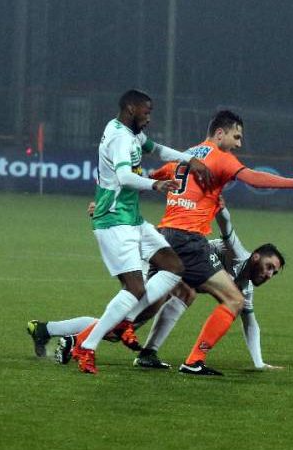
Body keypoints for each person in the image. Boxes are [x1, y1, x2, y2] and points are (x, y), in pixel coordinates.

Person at [75, 110, 293, 376]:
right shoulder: (221, 157)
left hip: (165, 236)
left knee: (156, 304)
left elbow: (147, 180)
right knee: (234, 299)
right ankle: (194, 361)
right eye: (236, 137)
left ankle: (80, 340)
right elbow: (253, 178)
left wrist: (105, 203)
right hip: (189, 240)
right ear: (220, 133)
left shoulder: (184, 156)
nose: (239, 144)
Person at [64, 89, 212, 375]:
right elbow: (123, 177)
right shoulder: (120, 138)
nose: (149, 117)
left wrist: (187, 159)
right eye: (146, 111)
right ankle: (87, 346)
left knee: (173, 267)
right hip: (114, 220)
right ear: (131, 108)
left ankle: (125, 322)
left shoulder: (129, 133)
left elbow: (157, 149)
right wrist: (154, 184)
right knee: (134, 288)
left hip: (131, 218)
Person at [132, 201, 285, 371]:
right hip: (163, 254)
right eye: (269, 266)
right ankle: (112, 330)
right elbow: (225, 224)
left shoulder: (244, 288)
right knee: (138, 313)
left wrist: (259, 363)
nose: (269, 274)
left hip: (175, 267)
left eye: (273, 272)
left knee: (184, 295)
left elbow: (250, 324)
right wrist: (220, 207)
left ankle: (148, 353)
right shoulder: (236, 254)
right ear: (255, 257)